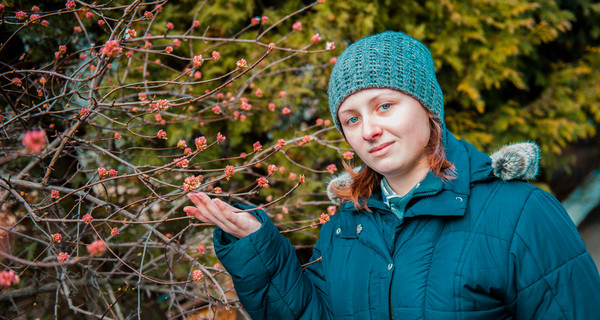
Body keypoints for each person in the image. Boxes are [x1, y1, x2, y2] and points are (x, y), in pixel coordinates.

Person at [184, 31, 600, 319]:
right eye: (351, 118)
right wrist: (256, 246)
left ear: (427, 107)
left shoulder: (522, 215)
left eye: (384, 106)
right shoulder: (346, 228)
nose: (368, 130)